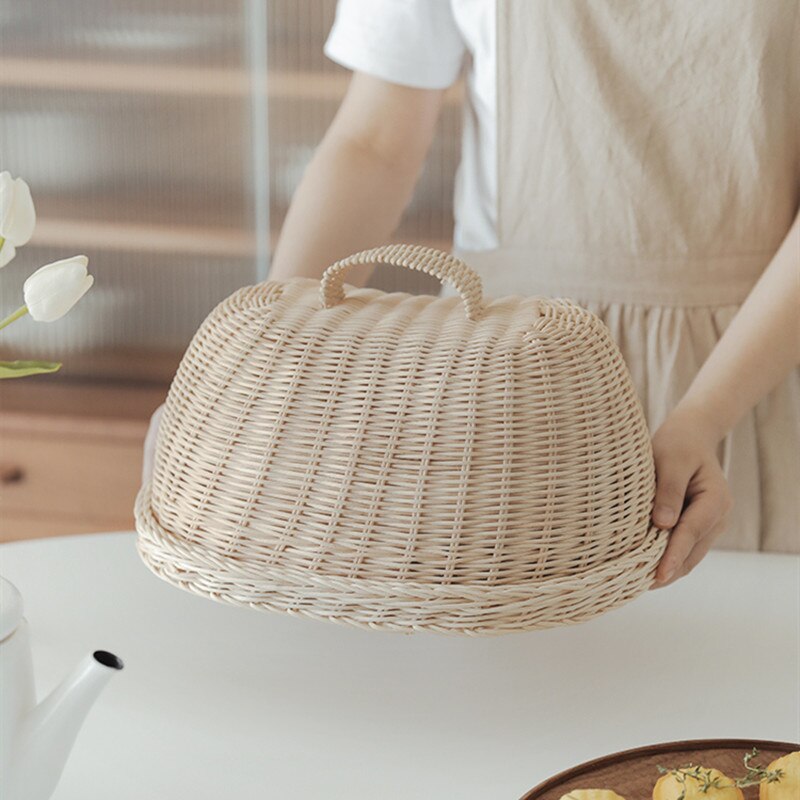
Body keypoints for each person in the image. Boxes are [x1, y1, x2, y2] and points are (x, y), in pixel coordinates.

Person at [145, 1, 800, 585]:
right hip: (503, 400)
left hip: (755, 375)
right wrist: (254, 374)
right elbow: (376, 142)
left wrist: (704, 418)